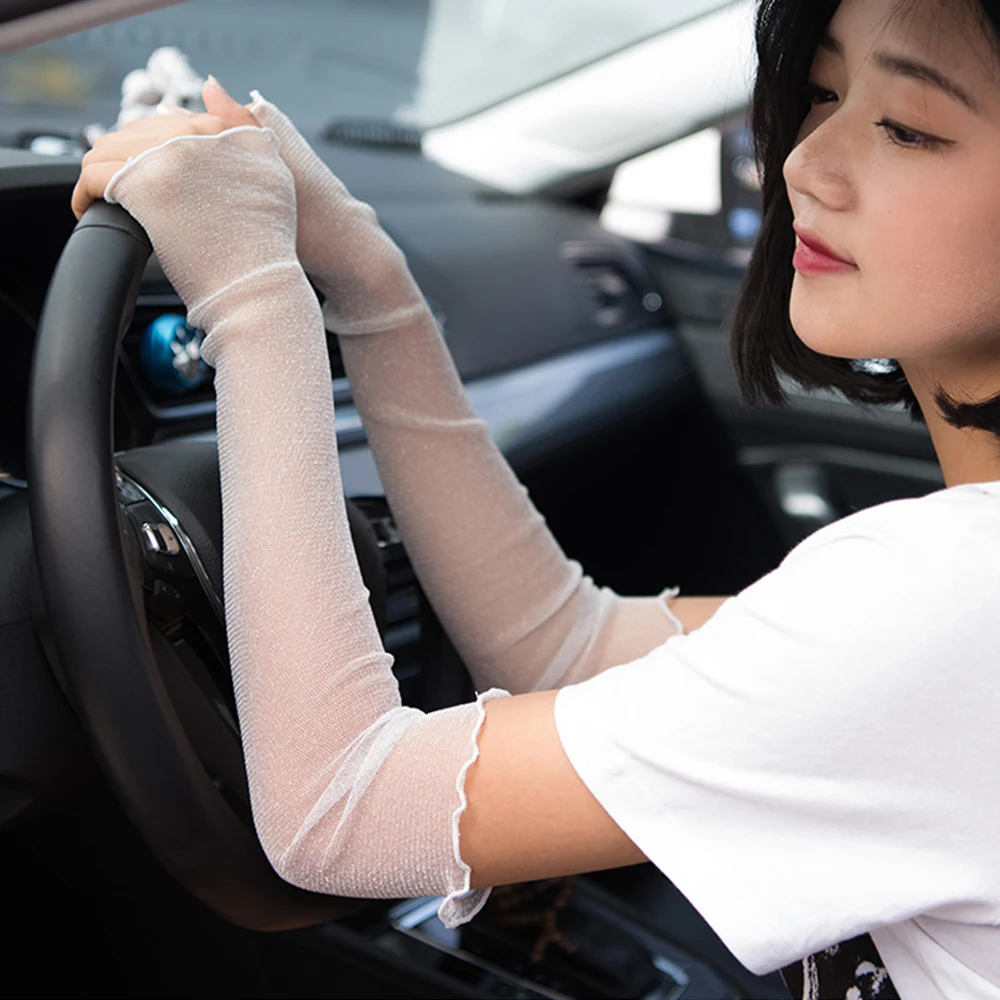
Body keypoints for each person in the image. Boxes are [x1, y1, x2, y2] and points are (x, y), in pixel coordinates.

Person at [71, 0, 1000, 996]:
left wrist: (252, 301)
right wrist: (369, 279)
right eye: (821, 93)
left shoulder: (949, 599)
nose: (803, 163)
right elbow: (570, 649)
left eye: (908, 126)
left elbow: (337, 814)